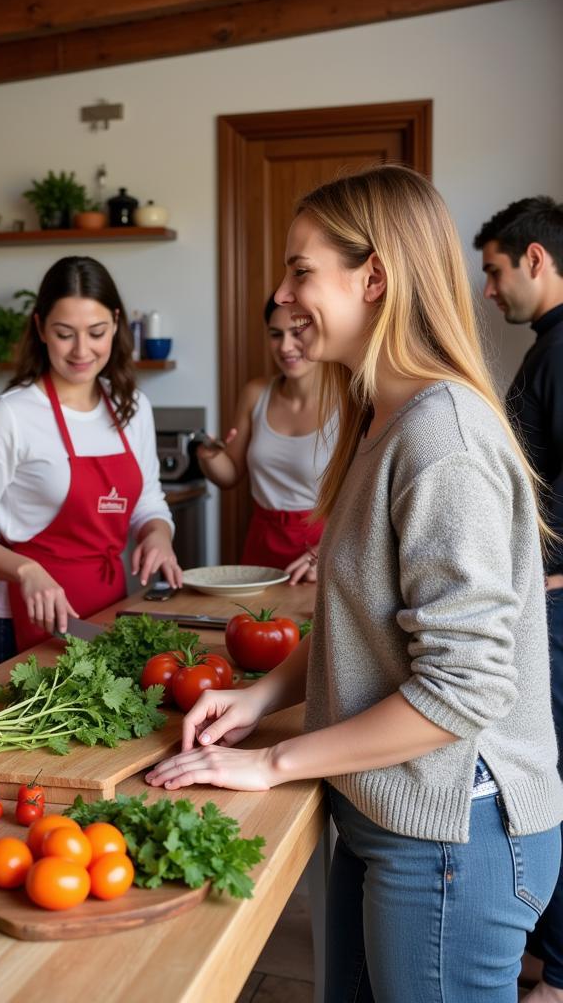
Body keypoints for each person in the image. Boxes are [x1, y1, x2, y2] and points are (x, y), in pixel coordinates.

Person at [147, 165, 563, 1002]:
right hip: (394, 810)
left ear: (374, 277)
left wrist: (275, 765)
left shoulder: (441, 438)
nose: (282, 292)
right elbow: (366, 627)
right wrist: (263, 698)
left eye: (302, 269)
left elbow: (465, 686)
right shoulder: (383, 421)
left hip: (457, 829)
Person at [0, 255, 181, 670]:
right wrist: (25, 570)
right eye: (65, 334)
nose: (82, 350)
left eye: (97, 332)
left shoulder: (132, 406)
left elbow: (148, 501)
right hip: (24, 626)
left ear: (117, 325)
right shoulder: (10, 415)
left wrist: (157, 534)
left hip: (110, 613)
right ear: (40, 329)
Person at [475, 195, 563, 1003]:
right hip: (541, 599)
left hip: (555, 603)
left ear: (536, 259)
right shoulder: (545, 351)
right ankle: (544, 954)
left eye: (497, 272)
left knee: (551, 772)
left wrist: (554, 573)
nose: (490, 291)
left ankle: (560, 973)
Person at [196, 296, 337, 584]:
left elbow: (367, 497)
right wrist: (208, 456)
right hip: (262, 540)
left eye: (296, 333)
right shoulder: (255, 393)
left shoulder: (350, 401)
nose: (285, 347)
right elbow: (229, 475)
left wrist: (331, 549)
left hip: (323, 546)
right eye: (276, 335)